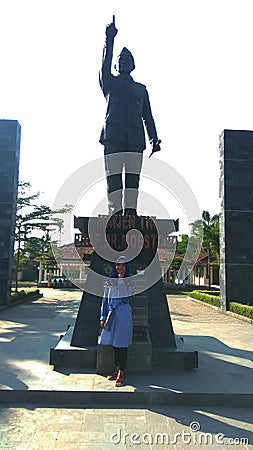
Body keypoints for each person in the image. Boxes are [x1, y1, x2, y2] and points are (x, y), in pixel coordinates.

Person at [99, 15, 161, 216]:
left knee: (133, 179)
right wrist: (109, 40)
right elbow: (104, 65)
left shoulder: (141, 89)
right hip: (113, 137)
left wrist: (154, 139)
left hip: (135, 139)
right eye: (121, 60)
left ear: (133, 65)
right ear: (116, 66)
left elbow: (148, 116)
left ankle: (131, 213)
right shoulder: (110, 83)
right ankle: (115, 214)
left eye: (127, 60)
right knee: (114, 178)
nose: (124, 62)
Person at [99, 255, 134, 387]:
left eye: (123, 265)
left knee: (122, 343)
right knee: (114, 343)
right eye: (118, 265)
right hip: (111, 314)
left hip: (123, 313)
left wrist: (121, 280)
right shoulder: (109, 280)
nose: (120, 267)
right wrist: (103, 316)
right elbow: (105, 298)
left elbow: (126, 295)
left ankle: (122, 372)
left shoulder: (129, 281)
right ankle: (116, 369)